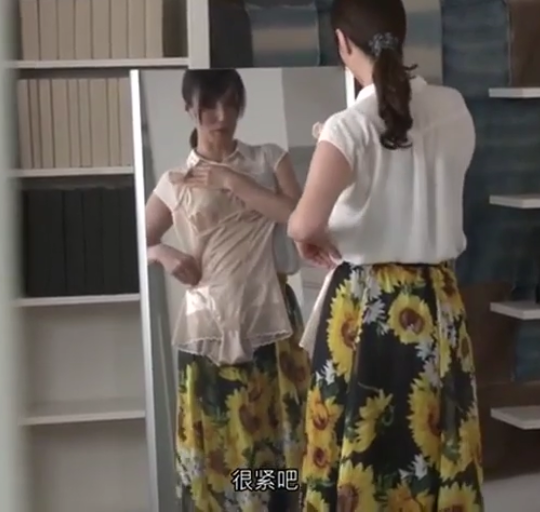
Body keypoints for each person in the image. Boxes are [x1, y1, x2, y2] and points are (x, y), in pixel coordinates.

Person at [286, 0, 483, 510]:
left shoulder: (348, 125)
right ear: (402, 33)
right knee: (434, 440)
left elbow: (303, 223)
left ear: (341, 42)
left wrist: (310, 235)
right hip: (436, 300)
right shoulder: (454, 107)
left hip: (365, 307)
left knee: (357, 442)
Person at [144, 69, 311, 512]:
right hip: (209, 322)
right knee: (220, 434)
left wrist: (235, 182)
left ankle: (275, 504)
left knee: (279, 432)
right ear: (189, 109)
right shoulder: (176, 180)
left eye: (232, 104)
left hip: (271, 315)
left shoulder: (268, 158)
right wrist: (163, 252)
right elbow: (136, 240)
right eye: (210, 106)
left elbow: (299, 219)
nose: (222, 116)